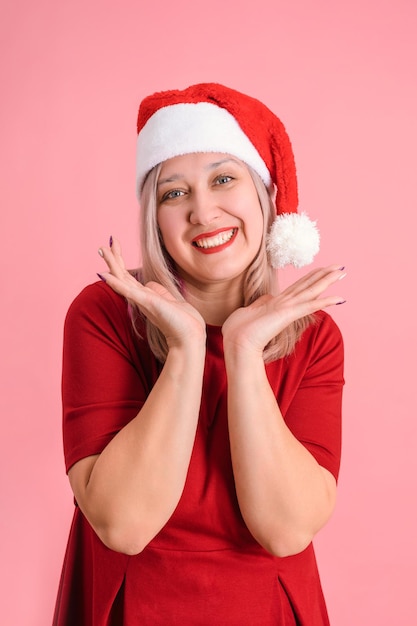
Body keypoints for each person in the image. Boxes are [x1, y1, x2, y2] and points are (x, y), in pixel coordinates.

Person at [53, 83, 345, 626]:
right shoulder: (102, 314)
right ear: (154, 217)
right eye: (173, 193)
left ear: (263, 197)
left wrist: (242, 349)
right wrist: (188, 347)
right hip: (132, 607)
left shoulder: (315, 335)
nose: (203, 211)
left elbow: (285, 530)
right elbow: (122, 524)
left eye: (224, 179)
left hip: (270, 609)